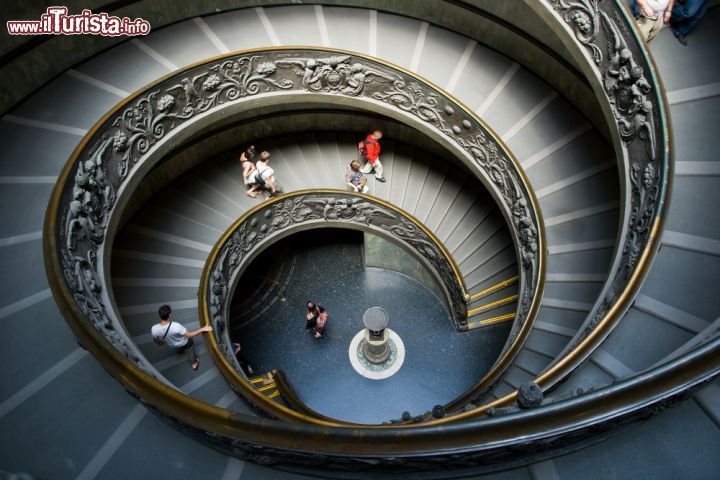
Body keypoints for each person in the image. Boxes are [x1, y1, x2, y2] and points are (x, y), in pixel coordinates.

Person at [151, 304, 212, 371]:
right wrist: (203, 329)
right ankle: (194, 363)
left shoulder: (154, 329)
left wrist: (161, 343)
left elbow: (156, 340)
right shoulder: (176, 326)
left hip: (173, 345)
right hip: (185, 342)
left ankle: (179, 351)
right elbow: (189, 335)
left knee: (178, 348)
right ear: (169, 315)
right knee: (190, 350)